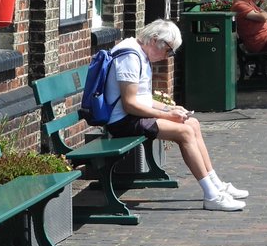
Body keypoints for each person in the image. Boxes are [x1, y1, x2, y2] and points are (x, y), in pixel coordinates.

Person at [104, 19, 250, 211]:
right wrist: (165, 116)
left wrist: (169, 110)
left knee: (193, 124)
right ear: (155, 39)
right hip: (122, 120)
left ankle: (216, 184)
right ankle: (211, 195)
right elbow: (130, 104)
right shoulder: (130, 57)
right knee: (184, 133)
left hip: (133, 116)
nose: (168, 57)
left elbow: (144, 99)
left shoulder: (140, 53)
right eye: (168, 50)